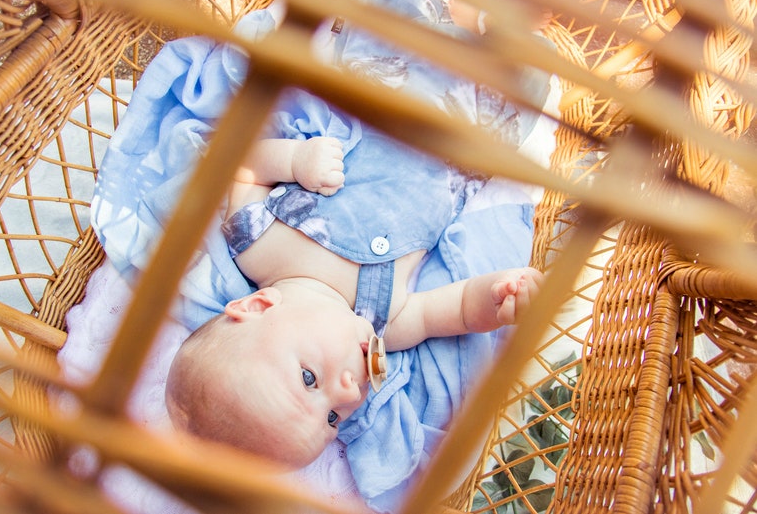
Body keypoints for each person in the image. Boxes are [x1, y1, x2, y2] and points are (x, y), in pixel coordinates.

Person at [164, 107, 544, 469]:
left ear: (258, 307)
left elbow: (245, 168)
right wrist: (499, 297)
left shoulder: (255, 245)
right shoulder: (387, 322)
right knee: (525, 84)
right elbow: (457, 308)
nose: (349, 394)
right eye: (333, 418)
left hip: (380, 98)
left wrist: (295, 159)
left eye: (309, 379)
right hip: (468, 146)